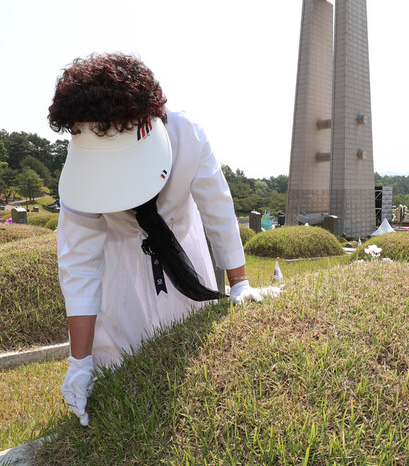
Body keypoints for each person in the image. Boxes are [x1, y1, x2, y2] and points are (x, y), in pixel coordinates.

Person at [49, 52, 279, 426]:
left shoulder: (187, 135)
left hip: (184, 250)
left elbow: (217, 207)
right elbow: (78, 261)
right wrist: (80, 360)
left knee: (195, 358)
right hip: (120, 260)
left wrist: (240, 281)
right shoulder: (81, 168)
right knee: (122, 377)